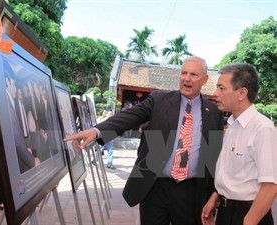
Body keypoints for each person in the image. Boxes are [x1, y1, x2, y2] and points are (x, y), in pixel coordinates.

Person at [64, 56, 224, 225]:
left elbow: (214, 156)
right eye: (184, 73)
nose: (187, 79)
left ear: (205, 80)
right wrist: (97, 131)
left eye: (194, 74)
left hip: (191, 191)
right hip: (155, 186)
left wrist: (214, 192)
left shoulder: (213, 112)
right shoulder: (160, 100)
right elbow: (130, 117)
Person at [201, 63, 277, 225]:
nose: (215, 94)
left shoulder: (262, 128)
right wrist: (216, 196)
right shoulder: (232, 125)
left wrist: (248, 221)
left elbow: (270, 187)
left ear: (242, 93)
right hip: (225, 211)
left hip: (249, 215)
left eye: (221, 88)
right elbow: (231, 173)